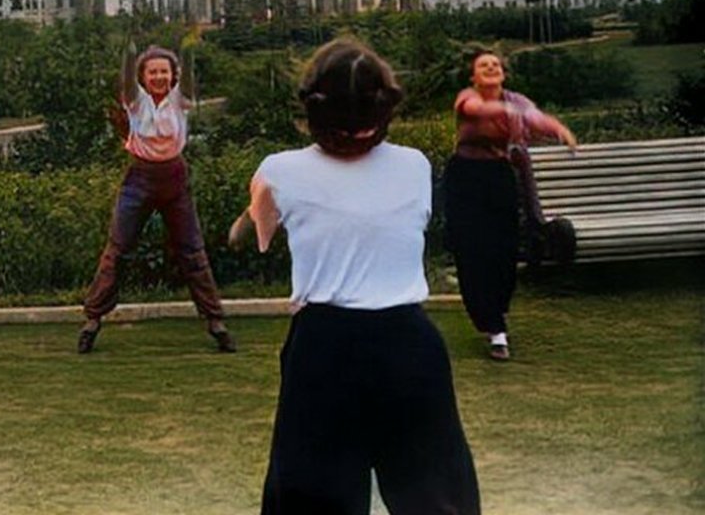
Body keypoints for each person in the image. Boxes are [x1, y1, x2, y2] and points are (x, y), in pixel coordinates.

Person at [232, 39, 480, 514]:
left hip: (324, 346)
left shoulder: (279, 170)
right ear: (384, 105)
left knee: (313, 497)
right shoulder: (415, 165)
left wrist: (250, 213)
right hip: (409, 343)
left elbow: (257, 235)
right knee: (434, 496)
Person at [77, 46, 235, 355]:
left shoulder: (180, 100)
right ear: (143, 77)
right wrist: (128, 52)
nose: (159, 77)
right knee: (117, 250)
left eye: (165, 71)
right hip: (139, 178)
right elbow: (124, 81)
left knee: (193, 251)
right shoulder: (135, 102)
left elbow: (187, 77)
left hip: (174, 178)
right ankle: (92, 320)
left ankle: (215, 321)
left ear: (173, 76)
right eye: (152, 72)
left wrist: (189, 47)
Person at [443, 48, 577, 361]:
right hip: (465, 178)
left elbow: (538, 118)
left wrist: (559, 129)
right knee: (471, 250)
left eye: (495, 64)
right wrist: (523, 118)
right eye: (483, 65)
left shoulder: (518, 101)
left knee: (503, 250)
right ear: (473, 77)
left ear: (503, 72)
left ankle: (496, 313)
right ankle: (495, 329)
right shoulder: (467, 98)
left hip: (499, 176)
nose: (490, 68)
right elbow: (479, 110)